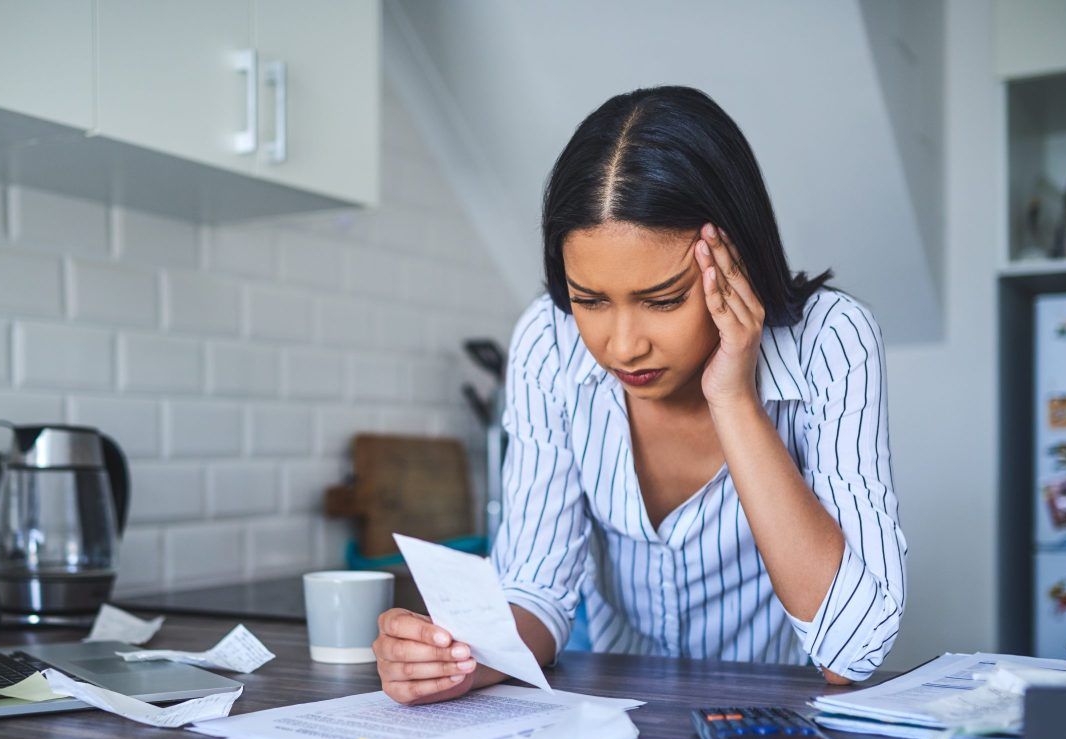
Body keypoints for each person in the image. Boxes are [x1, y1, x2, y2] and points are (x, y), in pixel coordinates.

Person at [375, 85, 907, 705]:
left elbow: (853, 649)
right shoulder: (549, 343)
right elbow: (537, 590)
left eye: (663, 301)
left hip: (768, 720)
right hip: (607, 718)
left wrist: (735, 401)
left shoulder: (831, 343)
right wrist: (460, 659)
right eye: (590, 300)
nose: (623, 346)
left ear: (737, 258)